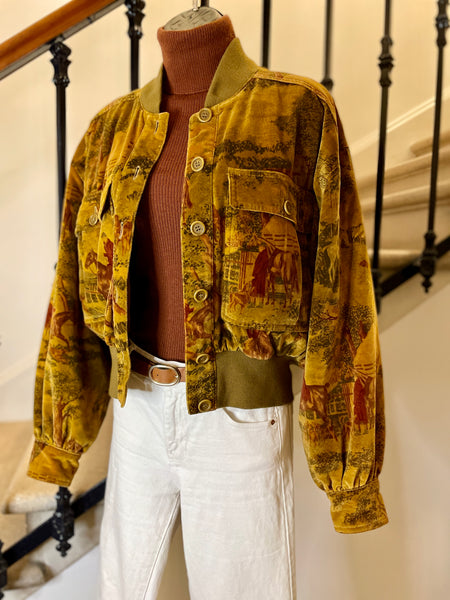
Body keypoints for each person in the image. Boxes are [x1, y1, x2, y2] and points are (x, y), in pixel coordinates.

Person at [28, 9, 388, 600]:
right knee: (124, 590)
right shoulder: (110, 131)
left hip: (238, 422)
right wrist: (60, 437)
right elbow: (71, 287)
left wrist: (349, 476)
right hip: (137, 410)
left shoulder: (295, 111)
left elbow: (341, 295)